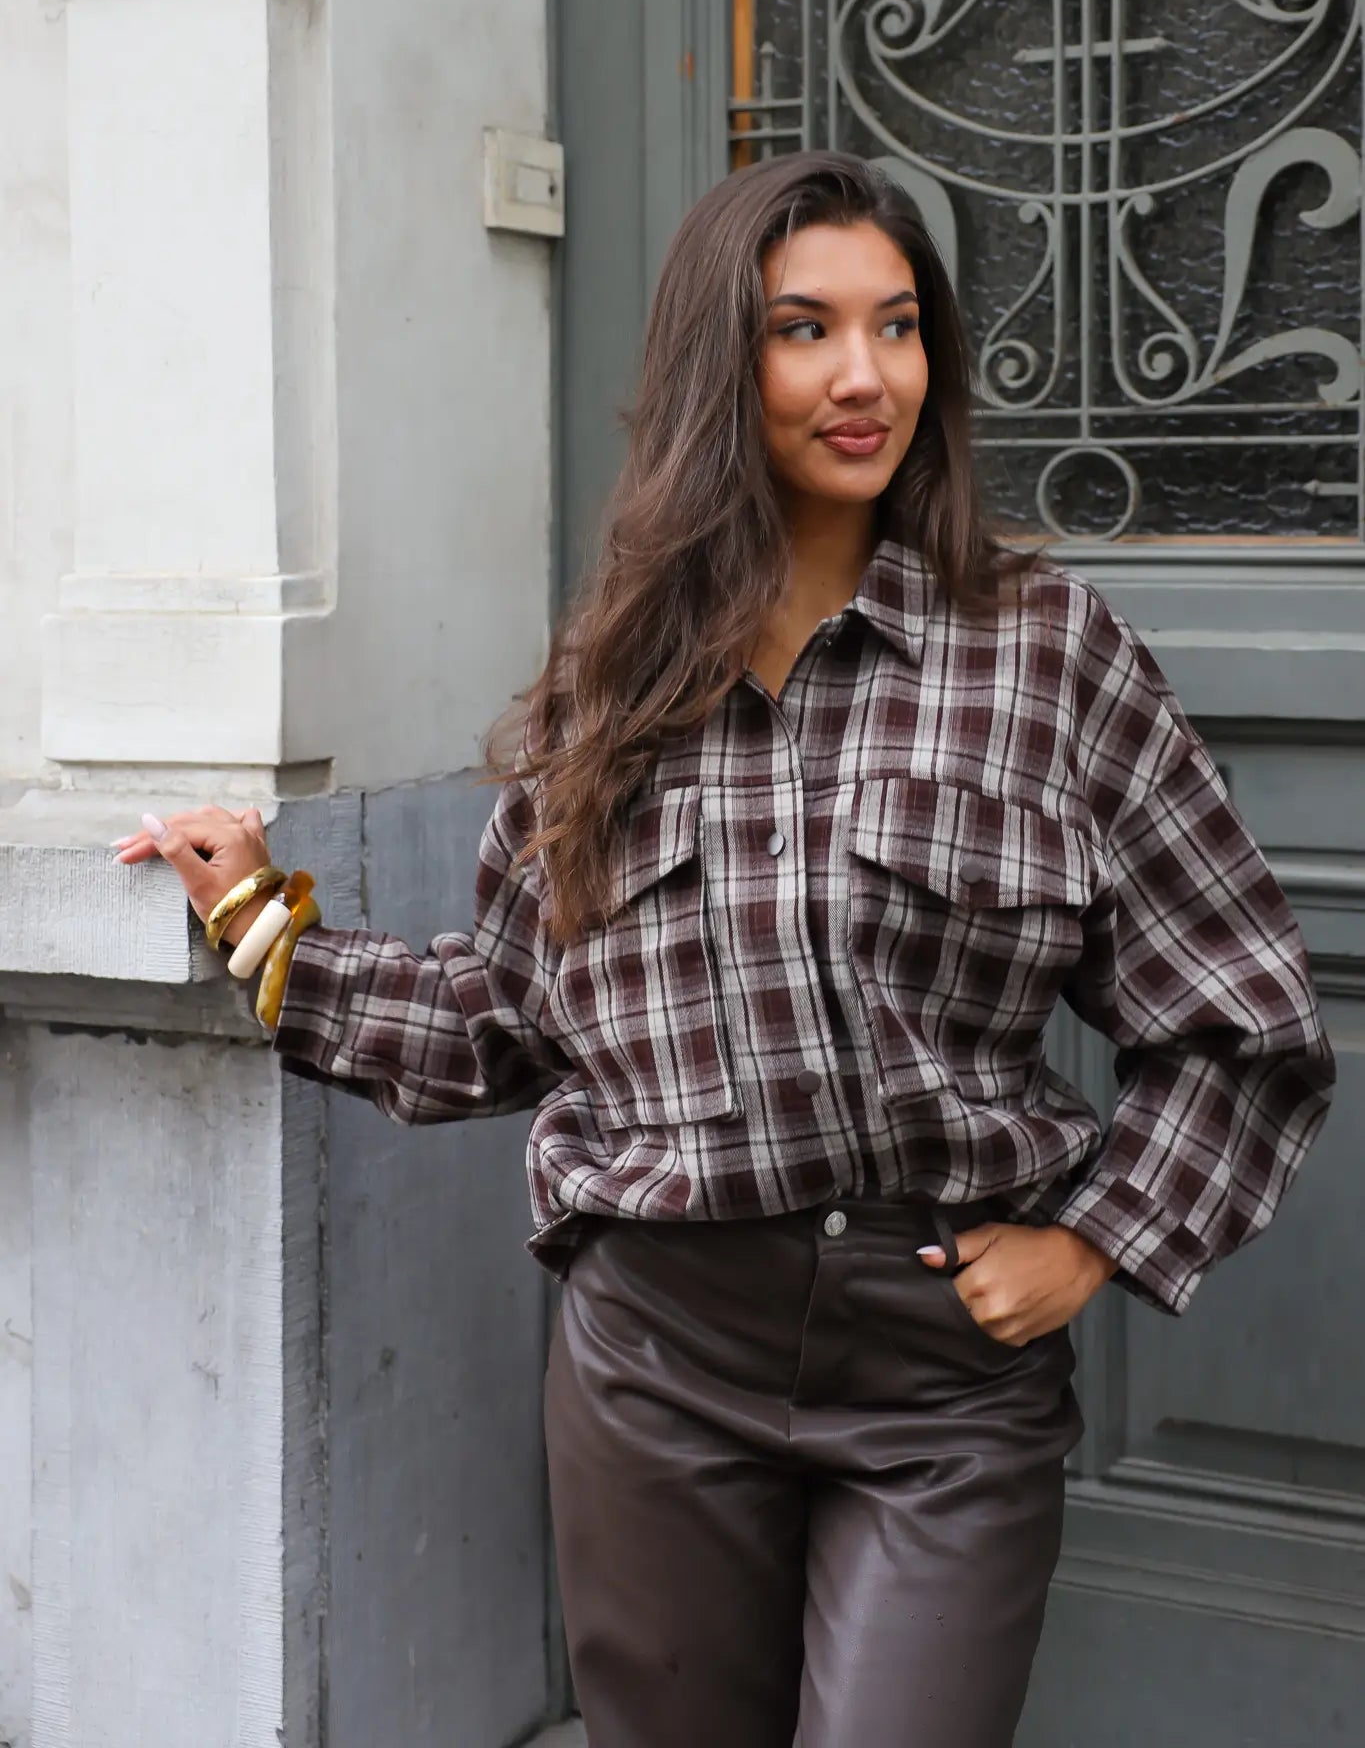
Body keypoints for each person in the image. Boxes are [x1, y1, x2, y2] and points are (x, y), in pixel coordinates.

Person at [114, 150, 1335, 1748]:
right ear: (719, 364)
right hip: (660, 1355)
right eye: (802, 328)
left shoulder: (1040, 651)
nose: (861, 376)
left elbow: (1240, 1009)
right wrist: (262, 923)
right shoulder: (608, 683)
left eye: (897, 328)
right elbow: (505, 1016)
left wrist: (1095, 1240)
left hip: (940, 1378)